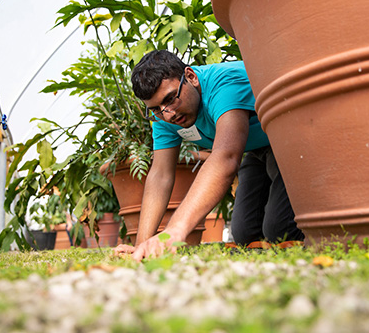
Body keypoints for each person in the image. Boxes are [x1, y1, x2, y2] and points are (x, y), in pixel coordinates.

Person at [115, 50, 303, 261]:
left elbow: (226, 157)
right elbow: (160, 175)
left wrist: (174, 231)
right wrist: (142, 244)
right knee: (243, 235)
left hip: (292, 137)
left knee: (280, 230)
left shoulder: (224, 83)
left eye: (170, 99)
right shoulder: (164, 117)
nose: (168, 114)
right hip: (256, 149)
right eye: (156, 109)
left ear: (191, 77)